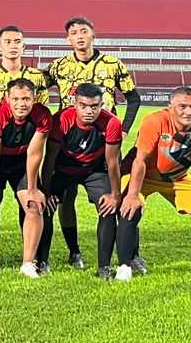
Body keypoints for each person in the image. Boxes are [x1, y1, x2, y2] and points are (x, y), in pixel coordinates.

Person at [44, 16, 140, 269]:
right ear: (68, 39)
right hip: (67, 140)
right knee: (64, 198)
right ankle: (74, 252)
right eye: (73, 32)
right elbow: (36, 89)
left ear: (93, 34)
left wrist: (125, 130)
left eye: (83, 31)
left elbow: (133, 98)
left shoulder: (112, 64)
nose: (79, 36)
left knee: (117, 197)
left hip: (106, 139)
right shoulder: (58, 66)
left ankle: (131, 254)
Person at [117, 86, 191, 282]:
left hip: (177, 177)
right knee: (129, 209)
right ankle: (124, 268)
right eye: (182, 106)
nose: (189, 112)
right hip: (142, 176)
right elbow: (139, 161)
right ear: (170, 107)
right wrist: (132, 195)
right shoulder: (155, 120)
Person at [40, 83, 125, 279]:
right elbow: (50, 157)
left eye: (94, 106)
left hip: (93, 170)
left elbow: (112, 162)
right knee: (46, 206)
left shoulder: (111, 123)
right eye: (83, 106)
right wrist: (45, 191)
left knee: (108, 208)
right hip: (62, 169)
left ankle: (104, 267)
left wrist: (115, 195)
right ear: (74, 104)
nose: (89, 111)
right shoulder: (61, 119)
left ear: (102, 104)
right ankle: (47, 260)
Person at [0, 78, 50, 278]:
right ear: (7, 99)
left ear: (34, 99)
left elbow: (35, 153)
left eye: (26, 98)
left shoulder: (42, 115)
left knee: (34, 205)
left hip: (22, 164)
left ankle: (28, 262)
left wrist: (33, 188)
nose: (21, 104)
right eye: (16, 99)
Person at [0, 24, 49, 113]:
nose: (13, 46)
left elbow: (43, 110)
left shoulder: (36, 76)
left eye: (17, 42)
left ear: (23, 46)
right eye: (7, 42)